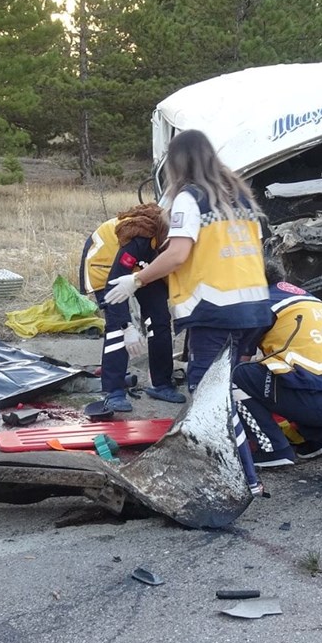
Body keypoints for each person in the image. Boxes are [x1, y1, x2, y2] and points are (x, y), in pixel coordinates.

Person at [104, 129, 271, 490]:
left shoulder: (190, 198)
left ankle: (244, 478)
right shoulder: (240, 197)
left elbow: (178, 254)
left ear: (177, 163)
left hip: (215, 310)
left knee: (208, 395)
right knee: (224, 391)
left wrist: (137, 280)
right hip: (254, 310)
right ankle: (243, 463)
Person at [233, 264, 322, 467]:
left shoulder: (262, 303)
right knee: (294, 372)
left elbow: (240, 361)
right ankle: (320, 441)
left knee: (236, 377)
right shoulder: (308, 299)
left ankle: (273, 450)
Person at [80, 204, 185, 413]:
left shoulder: (177, 240)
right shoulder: (140, 237)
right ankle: (113, 390)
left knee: (160, 319)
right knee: (117, 329)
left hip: (142, 268)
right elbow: (115, 282)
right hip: (107, 267)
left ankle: (160, 383)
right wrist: (126, 326)